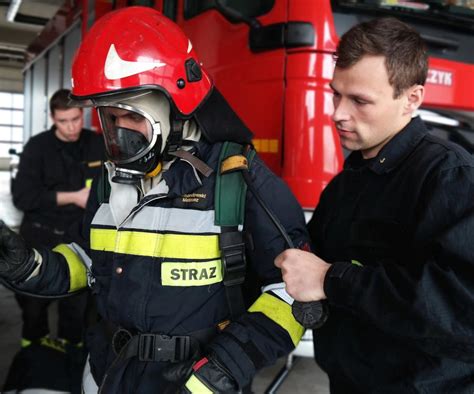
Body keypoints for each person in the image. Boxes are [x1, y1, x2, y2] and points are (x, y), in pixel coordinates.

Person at [0, 7, 310, 393]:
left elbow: (294, 292)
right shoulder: (110, 179)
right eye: (109, 119)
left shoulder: (238, 177)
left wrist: (219, 373)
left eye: (129, 116)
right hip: (106, 375)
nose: (118, 133)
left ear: (172, 104)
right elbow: (87, 258)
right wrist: (29, 267)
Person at [275, 17, 474, 393]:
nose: (337, 113)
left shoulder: (450, 177)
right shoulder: (347, 183)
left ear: (412, 98)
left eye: (360, 101)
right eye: (336, 94)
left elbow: (463, 312)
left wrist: (330, 279)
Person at [11, 89, 105, 347]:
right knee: (33, 305)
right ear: (53, 117)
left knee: (77, 306)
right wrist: (74, 197)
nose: (71, 127)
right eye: (64, 121)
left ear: (82, 114)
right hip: (40, 236)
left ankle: (69, 353)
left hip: (79, 237)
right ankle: (33, 352)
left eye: (75, 119)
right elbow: (24, 197)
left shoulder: (97, 144)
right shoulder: (38, 148)